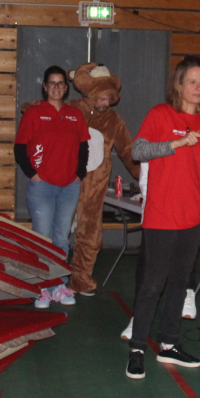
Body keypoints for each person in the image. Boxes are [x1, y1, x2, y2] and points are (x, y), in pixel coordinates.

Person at [126, 55, 200, 379]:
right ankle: (137, 349)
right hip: (162, 213)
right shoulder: (160, 114)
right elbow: (137, 151)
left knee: (179, 284)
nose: (199, 87)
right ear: (179, 85)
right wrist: (176, 142)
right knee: (153, 284)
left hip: (194, 213)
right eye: (193, 82)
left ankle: (169, 343)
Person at [14, 65, 89, 307]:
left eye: (60, 83)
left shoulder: (75, 115)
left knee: (62, 238)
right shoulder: (34, 114)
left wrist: (78, 174)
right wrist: (34, 175)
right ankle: (41, 288)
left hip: (69, 187)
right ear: (45, 87)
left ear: (66, 88)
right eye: (52, 83)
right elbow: (19, 149)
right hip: (42, 187)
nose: (56, 87)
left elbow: (84, 148)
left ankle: (59, 285)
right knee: (43, 237)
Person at [66, 62, 140, 296]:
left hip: (94, 187)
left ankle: (80, 278)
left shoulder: (114, 120)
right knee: (57, 232)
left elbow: (128, 151)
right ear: (90, 94)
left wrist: (146, 176)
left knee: (90, 234)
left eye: (109, 99)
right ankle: (50, 280)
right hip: (66, 183)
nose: (105, 103)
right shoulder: (70, 110)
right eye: (101, 98)